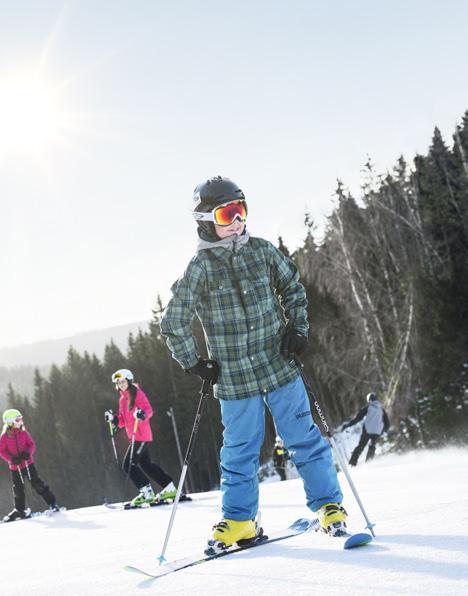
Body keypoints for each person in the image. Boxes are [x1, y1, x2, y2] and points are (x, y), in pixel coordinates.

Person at [160, 176, 346, 549]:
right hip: (234, 378)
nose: (238, 220)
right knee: (240, 451)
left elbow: (292, 287)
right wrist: (194, 363)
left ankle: (329, 507)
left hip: (278, 365)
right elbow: (173, 322)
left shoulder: (261, 251)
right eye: (228, 213)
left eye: (242, 210)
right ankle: (240, 520)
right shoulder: (200, 268)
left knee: (304, 438)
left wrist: (299, 330)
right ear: (205, 221)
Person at [105, 368, 177, 506]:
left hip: (141, 435)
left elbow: (148, 410)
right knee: (147, 466)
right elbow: (122, 421)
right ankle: (170, 488)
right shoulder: (122, 399)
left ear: (129, 381)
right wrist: (113, 419)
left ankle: (147, 493)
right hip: (134, 437)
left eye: (123, 381)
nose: (121, 384)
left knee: (128, 464)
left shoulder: (137, 393)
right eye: (118, 382)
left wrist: (142, 414)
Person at [0, 408, 59, 522]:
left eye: (21, 419)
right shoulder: (4, 437)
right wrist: (11, 459)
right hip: (15, 467)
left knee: (37, 483)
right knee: (18, 489)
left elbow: (31, 445)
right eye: (18, 420)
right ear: (10, 422)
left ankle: (52, 503)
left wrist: (28, 453)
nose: (21, 422)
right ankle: (19, 510)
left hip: (28, 464)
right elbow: (1, 451)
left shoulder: (24, 433)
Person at [342, 392, 390, 466]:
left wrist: (348, 425)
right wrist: (385, 431)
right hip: (377, 431)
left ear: (369, 400)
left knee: (361, 446)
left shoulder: (368, 408)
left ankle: (352, 463)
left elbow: (358, 418)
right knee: (372, 446)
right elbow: (387, 422)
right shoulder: (381, 409)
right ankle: (369, 462)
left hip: (367, 430)